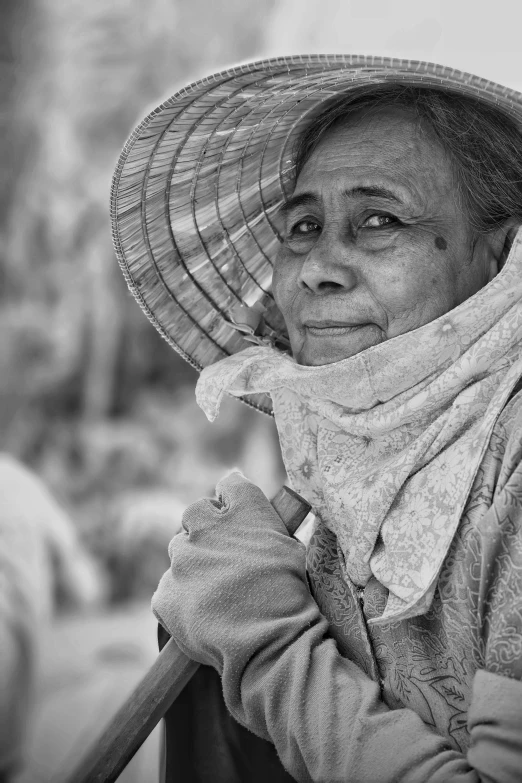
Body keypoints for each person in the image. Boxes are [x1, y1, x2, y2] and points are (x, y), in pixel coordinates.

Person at [111, 56, 522, 782]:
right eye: (303, 226)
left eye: (379, 219)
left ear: (497, 261)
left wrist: (265, 641)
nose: (318, 267)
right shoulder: (344, 478)